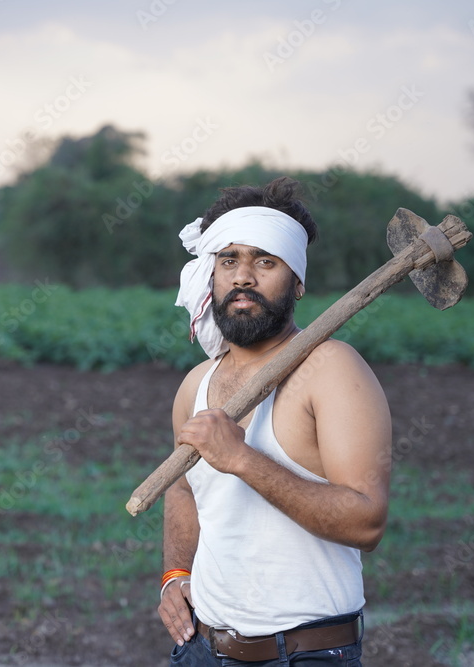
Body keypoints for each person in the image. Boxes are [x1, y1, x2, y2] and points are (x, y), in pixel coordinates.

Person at [157, 177, 391, 666]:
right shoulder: (195, 384)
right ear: (212, 275)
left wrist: (242, 459)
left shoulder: (332, 370)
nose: (243, 276)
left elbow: (366, 522)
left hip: (305, 653)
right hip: (201, 648)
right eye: (229, 260)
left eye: (265, 261)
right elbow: (183, 489)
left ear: (298, 281)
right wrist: (176, 573)